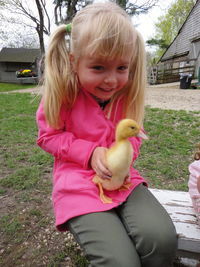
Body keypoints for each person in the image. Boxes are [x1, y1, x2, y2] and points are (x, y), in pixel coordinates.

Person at [36, 2, 177, 266]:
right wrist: (89, 153)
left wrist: (123, 157)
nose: (111, 80)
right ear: (74, 62)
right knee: (119, 260)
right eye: (98, 68)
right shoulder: (64, 96)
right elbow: (48, 137)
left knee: (161, 239)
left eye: (121, 68)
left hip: (123, 180)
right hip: (78, 184)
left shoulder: (125, 95)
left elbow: (135, 135)